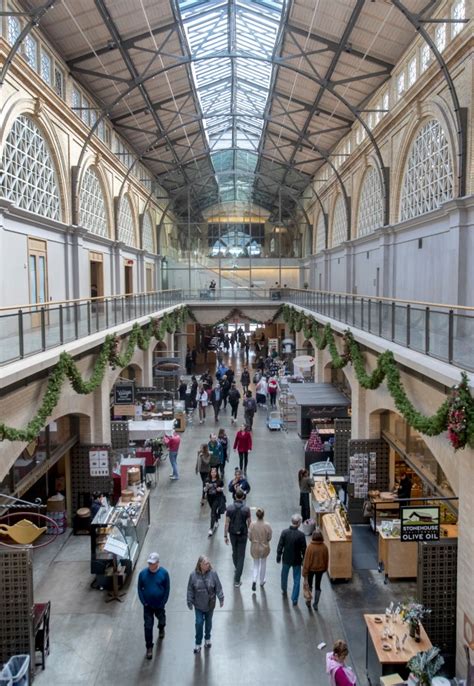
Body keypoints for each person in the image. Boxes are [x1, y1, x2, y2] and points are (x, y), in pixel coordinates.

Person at [187, 555, 224, 655]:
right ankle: (198, 643)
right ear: (200, 564)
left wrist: (221, 598)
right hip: (198, 605)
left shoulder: (213, 574)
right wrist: (189, 601)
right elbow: (190, 589)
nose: (208, 565)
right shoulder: (193, 575)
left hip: (210, 605)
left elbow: (218, 587)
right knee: (199, 623)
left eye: (209, 563)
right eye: (206, 563)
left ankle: (207, 638)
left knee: (208, 622)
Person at [137, 552, 170, 660]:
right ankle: (149, 647)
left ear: (157, 563)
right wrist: (144, 602)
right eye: (149, 563)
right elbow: (139, 588)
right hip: (148, 606)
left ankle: (161, 628)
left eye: (153, 563)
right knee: (147, 626)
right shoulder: (142, 574)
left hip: (159, 605)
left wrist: (163, 602)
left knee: (161, 620)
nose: (150, 565)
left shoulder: (164, 573)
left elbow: (167, 589)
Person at [276, 514, 307, 606]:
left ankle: (284, 588)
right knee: (297, 579)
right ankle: (294, 598)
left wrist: (278, 555)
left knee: (284, 574)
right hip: (297, 559)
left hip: (286, 558)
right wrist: (304, 559)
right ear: (299, 523)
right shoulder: (301, 535)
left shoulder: (284, 532)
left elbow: (280, 545)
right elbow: (304, 549)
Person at [224, 488, 251, 587]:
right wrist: (249, 534)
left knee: (234, 552)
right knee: (241, 556)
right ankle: (237, 580)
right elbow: (249, 523)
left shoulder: (230, 508)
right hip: (243, 534)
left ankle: (237, 568)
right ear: (243, 497)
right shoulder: (246, 509)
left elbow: (226, 523)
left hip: (232, 534)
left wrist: (225, 535)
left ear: (235, 496)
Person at [302, 529, 329, 611]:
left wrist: (304, 572)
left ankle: (309, 601)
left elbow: (306, 561)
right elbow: (326, 559)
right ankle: (316, 604)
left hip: (311, 570)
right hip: (320, 570)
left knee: (309, 585)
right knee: (318, 586)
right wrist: (325, 568)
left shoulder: (310, 547)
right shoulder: (324, 547)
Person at [248, 507, 272, 591]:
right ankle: (261, 581)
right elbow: (269, 537)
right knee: (263, 564)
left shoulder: (252, 525)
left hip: (255, 546)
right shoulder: (267, 525)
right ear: (263, 515)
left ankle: (254, 579)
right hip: (264, 546)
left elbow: (250, 537)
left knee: (255, 564)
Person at [204, 466, 226, 537]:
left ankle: (211, 528)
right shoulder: (207, 480)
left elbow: (223, 488)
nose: (213, 473)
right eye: (212, 472)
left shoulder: (219, 480)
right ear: (210, 473)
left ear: (216, 473)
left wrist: (220, 489)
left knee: (213, 512)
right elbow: (204, 490)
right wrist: (207, 487)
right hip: (210, 498)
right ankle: (216, 520)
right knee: (213, 511)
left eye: (214, 472)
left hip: (217, 497)